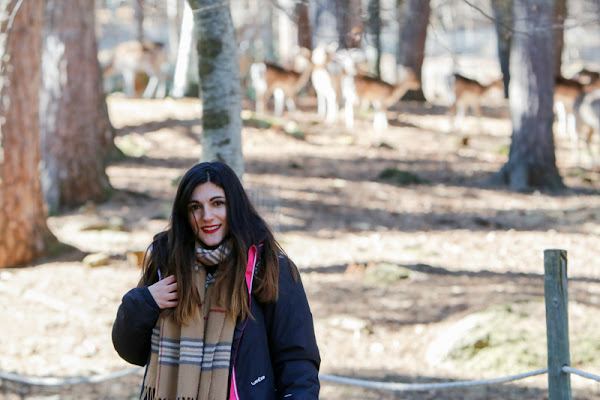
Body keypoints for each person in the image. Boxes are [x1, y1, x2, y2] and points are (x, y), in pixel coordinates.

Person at [112, 161, 320, 400]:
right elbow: (132, 352)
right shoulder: (168, 264)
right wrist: (144, 303)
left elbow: (297, 360)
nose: (207, 216)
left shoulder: (269, 267)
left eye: (217, 203)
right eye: (195, 207)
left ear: (235, 206)